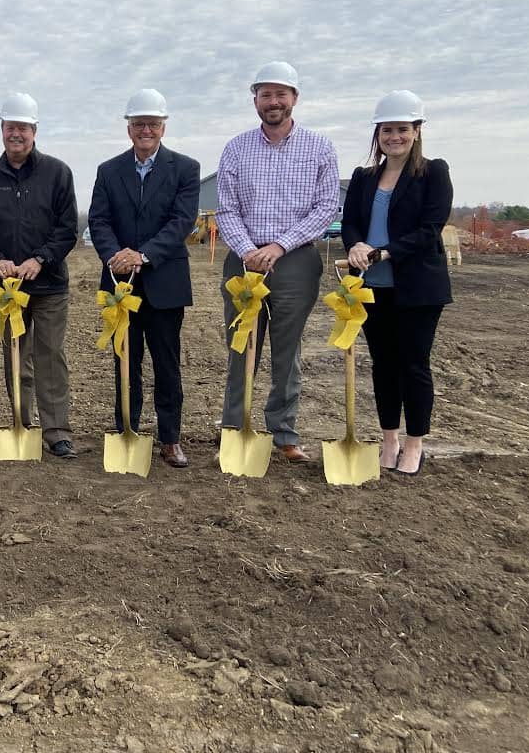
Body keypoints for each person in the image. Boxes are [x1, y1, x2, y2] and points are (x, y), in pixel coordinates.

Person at [216, 62, 340, 462]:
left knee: (287, 351)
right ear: (255, 100)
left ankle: (284, 433)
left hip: (296, 262)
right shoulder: (236, 149)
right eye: (265, 94)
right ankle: (235, 430)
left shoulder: (319, 148)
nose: (273, 102)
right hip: (243, 263)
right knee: (242, 348)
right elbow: (226, 208)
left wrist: (279, 247)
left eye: (280, 94)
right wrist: (248, 249)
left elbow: (326, 208)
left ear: (294, 99)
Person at [88, 90, 200, 468]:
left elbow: (181, 221)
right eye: (138, 124)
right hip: (120, 285)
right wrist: (113, 256)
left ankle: (170, 439)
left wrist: (143, 254)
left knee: (167, 364)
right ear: (129, 128)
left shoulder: (185, 169)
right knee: (125, 361)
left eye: (152, 124)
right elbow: (98, 220)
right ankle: (126, 432)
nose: (146, 130)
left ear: (163, 127)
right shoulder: (108, 170)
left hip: (164, 283)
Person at [343, 91, 452, 476]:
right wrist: (356, 243)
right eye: (387, 130)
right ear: (378, 134)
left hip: (417, 288)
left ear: (417, 131)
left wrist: (386, 252)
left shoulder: (433, 172)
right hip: (373, 287)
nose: (395, 136)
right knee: (384, 365)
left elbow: (430, 229)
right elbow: (351, 221)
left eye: (402, 129)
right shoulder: (364, 177)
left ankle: (414, 443)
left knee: (413, 365)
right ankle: (388, 439)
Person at [0, 93, 78, 458]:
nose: (16, 134)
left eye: (23, 128)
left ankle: (56, 431)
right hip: (8, 288)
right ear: (2, 129)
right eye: (10, 127)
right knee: (15, 355)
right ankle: (21, 423)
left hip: (48, 286)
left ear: (34, 131)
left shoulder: (57, 173)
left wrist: (40, 260)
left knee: (49, 357)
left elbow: (66, 228)